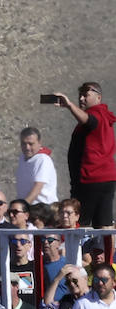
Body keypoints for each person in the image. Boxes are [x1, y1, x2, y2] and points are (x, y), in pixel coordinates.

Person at [53, 82, 116, 228]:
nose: (81, 99)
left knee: (80, 224)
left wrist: (69, 105)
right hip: (106, 178)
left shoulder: (97, 114)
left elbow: (88, 121)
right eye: (80, 95)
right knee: (104, 225)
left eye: (86, 95)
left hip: (90, 179)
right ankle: (104, 251)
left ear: (98, 97)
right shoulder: (104, 116)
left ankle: (83, 252)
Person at [15, 127, 58, 204]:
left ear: (39, 143)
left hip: (43, 208)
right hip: (28, 206)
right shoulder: (22, 157)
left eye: (31, 144)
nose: (27, 147)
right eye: (24, 143)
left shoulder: (43, 159)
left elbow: (38, 187)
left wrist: (23, 207)